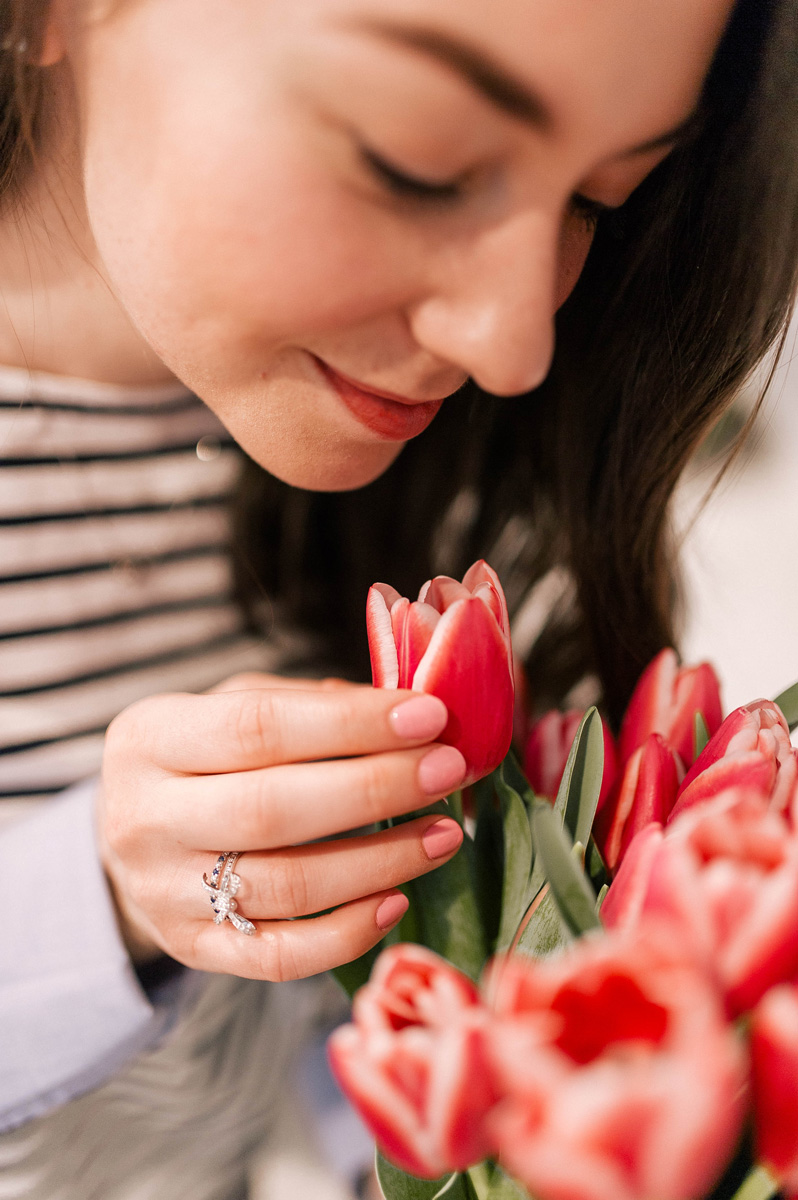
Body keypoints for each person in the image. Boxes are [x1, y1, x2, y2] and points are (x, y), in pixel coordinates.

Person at [1, 0, 797, 1197]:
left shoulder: (472, 462)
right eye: (417, 162)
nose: (513, 339)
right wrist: (94, 902)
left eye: (598, 198)